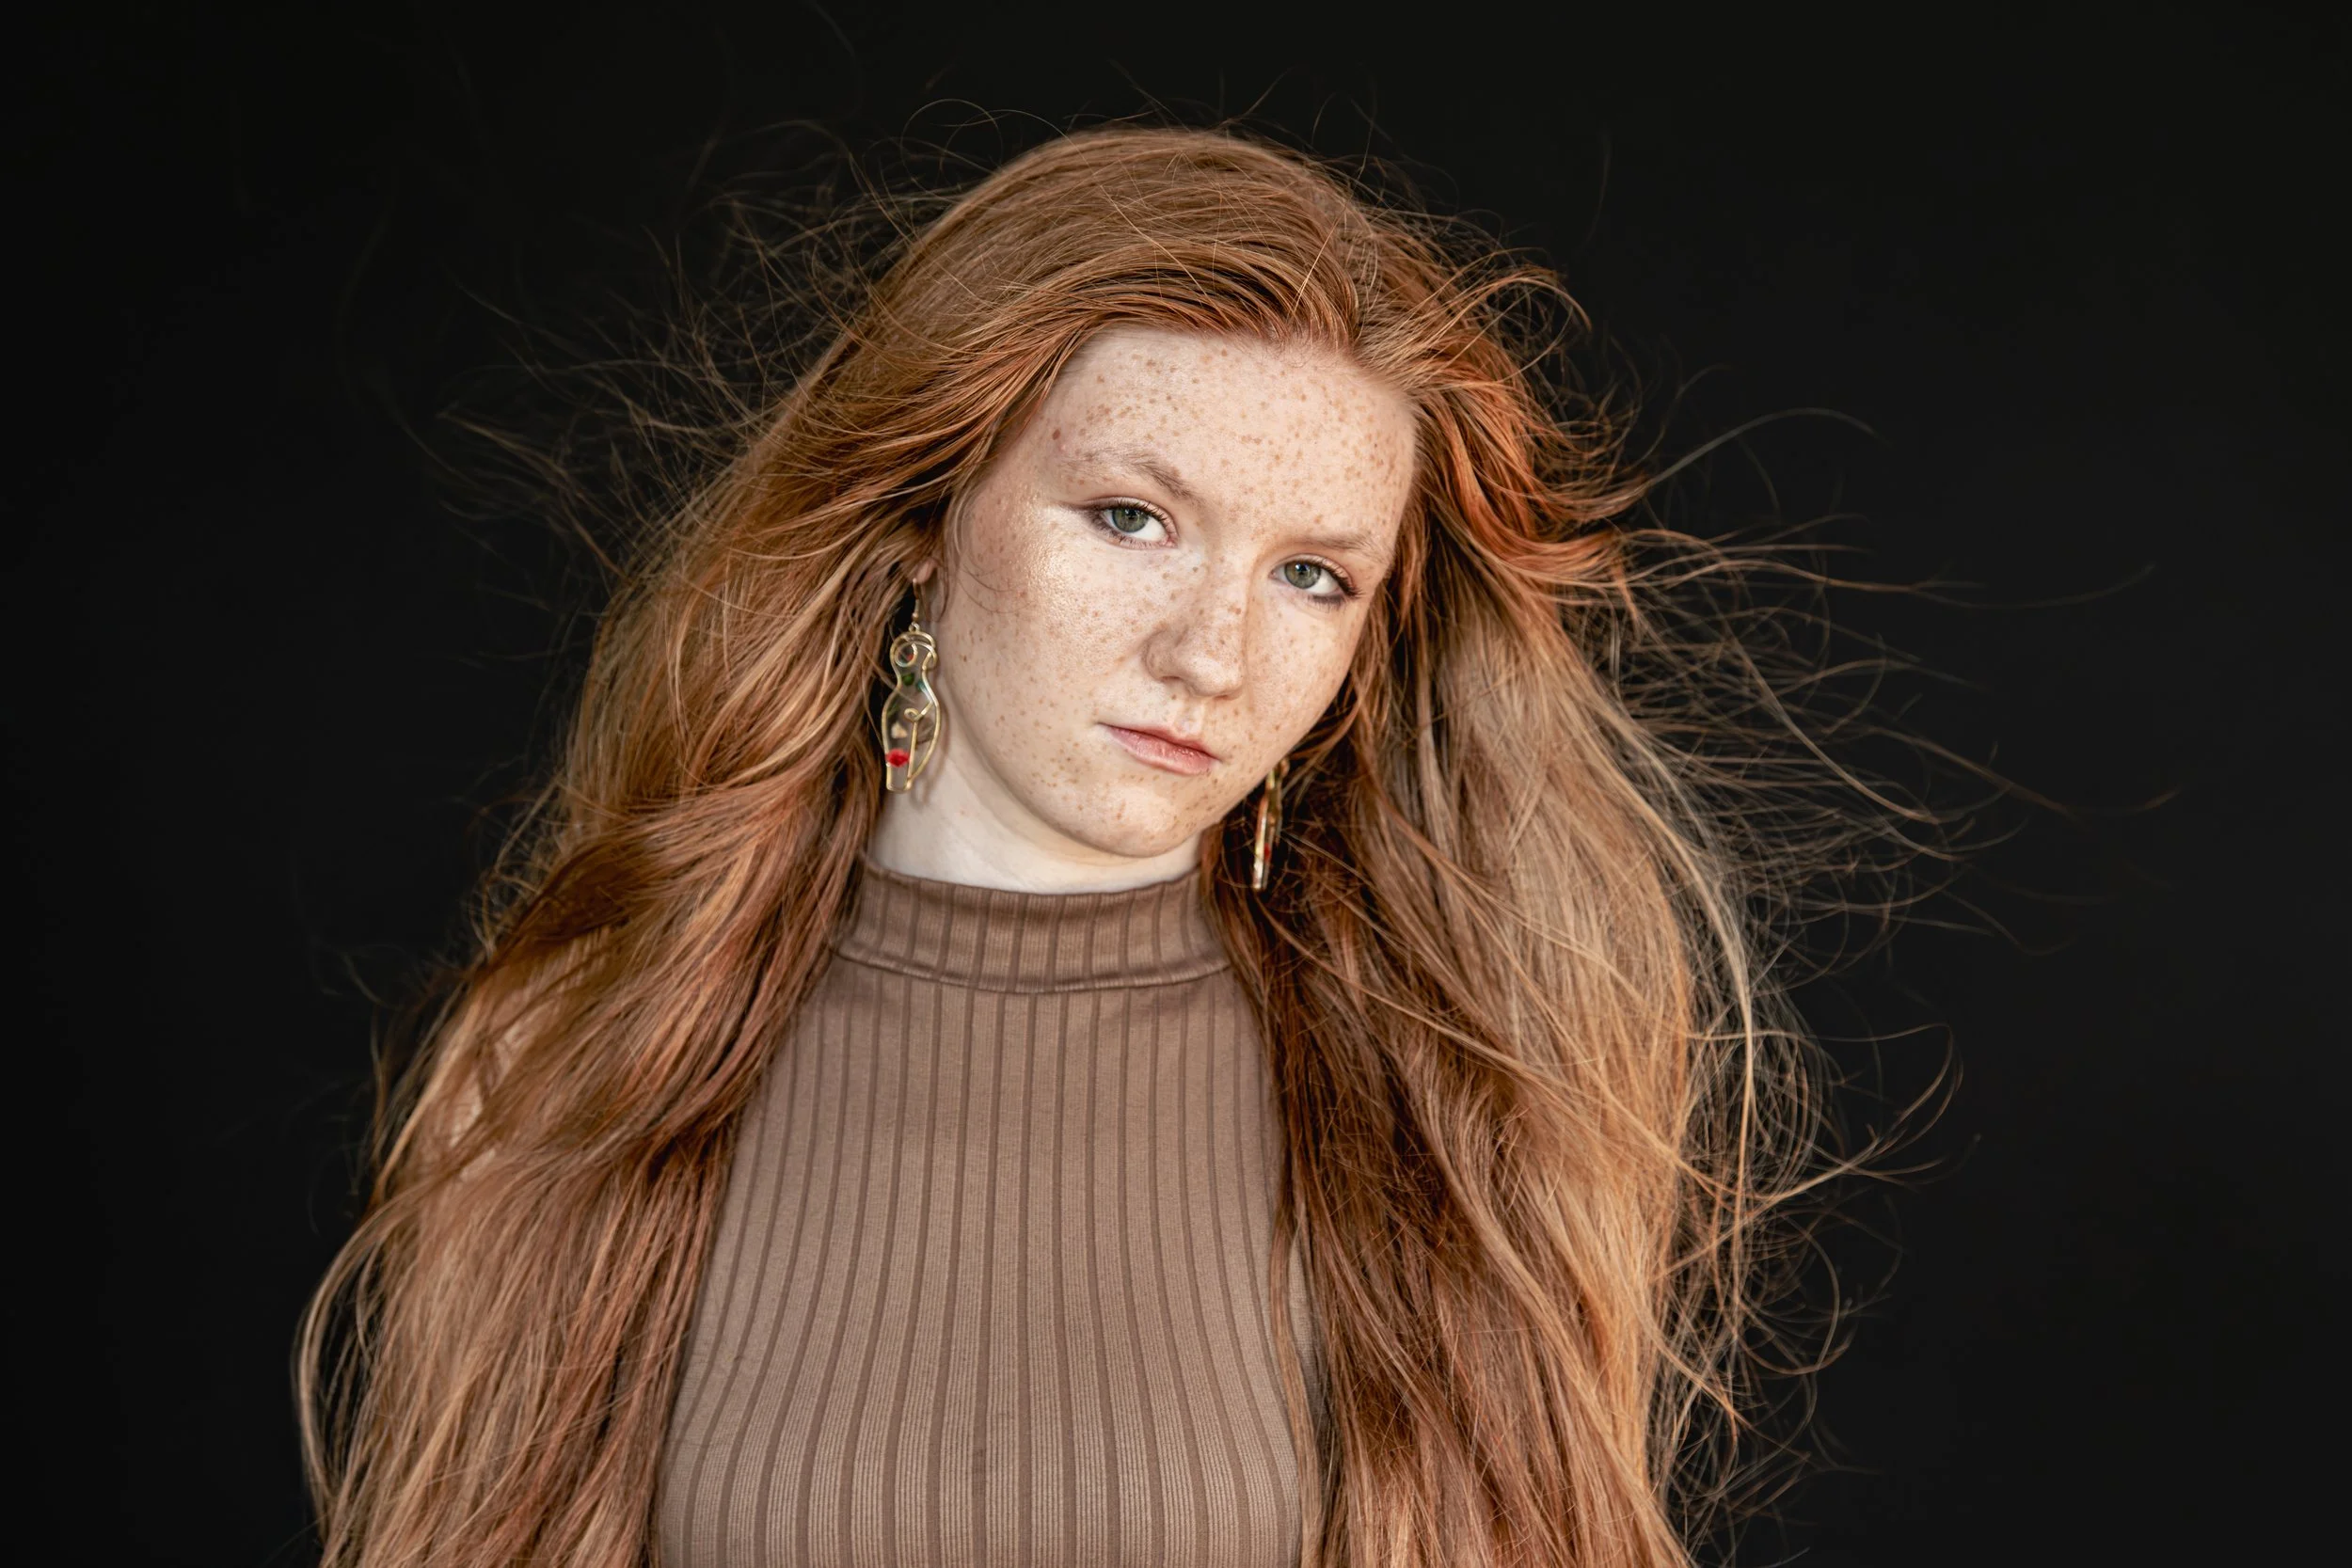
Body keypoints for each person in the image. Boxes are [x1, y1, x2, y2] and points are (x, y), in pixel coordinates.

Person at [302, 124, 1850, 1568]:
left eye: (1313, 572)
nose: (1211, 653)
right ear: (924, 510)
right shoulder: (579, 1057)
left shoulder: (1449, 1112)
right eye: (1130, 517)